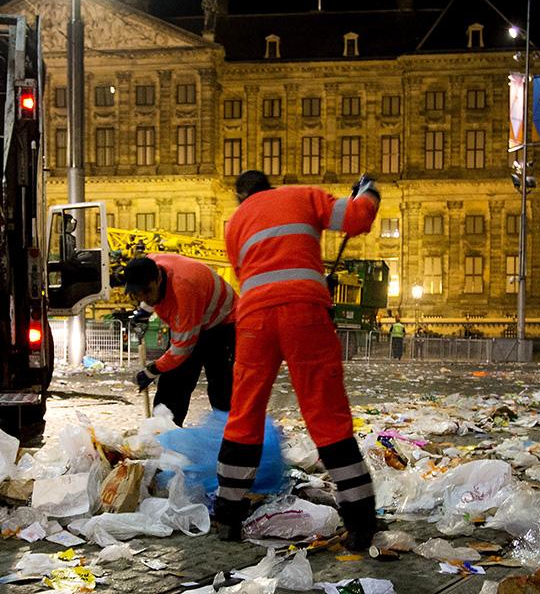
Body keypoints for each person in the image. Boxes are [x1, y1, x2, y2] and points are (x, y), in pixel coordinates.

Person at [215, 169, 381, 549]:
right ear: (269, 186)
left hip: (255, 318)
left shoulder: (235, 222)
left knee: (244, 412)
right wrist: (369, 192)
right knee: (326, 412)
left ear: (242, 197)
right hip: (304, 311)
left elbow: (247, 274)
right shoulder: (303, 195)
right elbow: (357, 219)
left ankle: (227, 514)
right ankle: (360, 522)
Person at [125, 254, 236, 426]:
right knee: (173, 383)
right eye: (138, 295)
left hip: (223, 323)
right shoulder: (149, 265)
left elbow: (181, 350)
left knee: (221, 386)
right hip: (196, 314)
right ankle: (163, 434)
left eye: (147, 292)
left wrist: (151, 370)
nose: (143, 298)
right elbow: (151, 294)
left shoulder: (184, 291)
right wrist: (144, 311)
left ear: (159, 279)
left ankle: (232, 438)